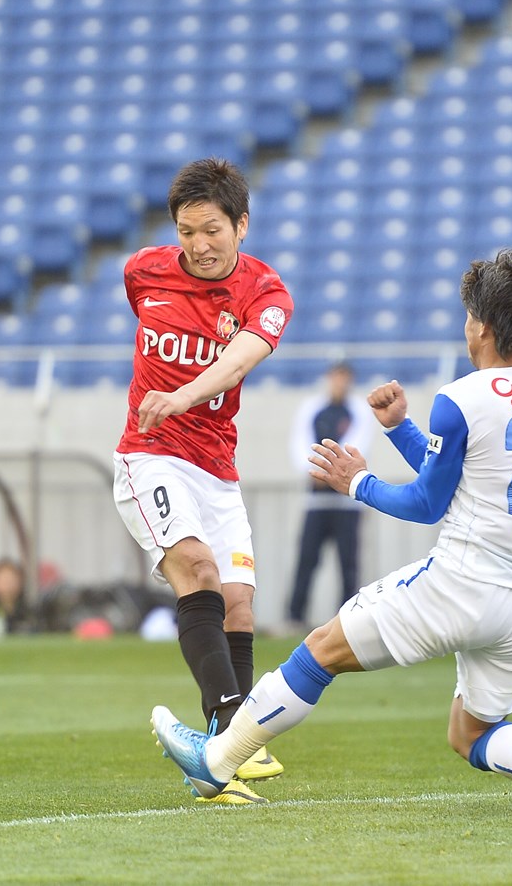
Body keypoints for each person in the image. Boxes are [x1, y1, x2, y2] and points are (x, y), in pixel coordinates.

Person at [152, 249, 512, 817]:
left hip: (461, 583)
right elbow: (462, 473)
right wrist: (402, 428)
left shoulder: (463, 395)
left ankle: (217, 760)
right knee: (471, 733)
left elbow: (430, 502)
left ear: (483, 324)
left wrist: (358, 483)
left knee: (319, 652)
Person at [114, 158, 293, 804]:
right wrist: (167, 404)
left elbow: (240, 357)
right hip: (149, 456)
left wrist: (183, 394)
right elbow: (143, 292)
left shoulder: (266, 294)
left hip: (217, 470)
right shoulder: (144, 271)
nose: (199, 244)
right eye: (187, 231)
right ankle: (232, 735)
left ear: (242, 225)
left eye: (213, 229)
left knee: (240, 605)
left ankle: (224, 754)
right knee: (197, 571)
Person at [285, 361, 373, 629]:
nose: (340, 382)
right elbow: (300, 443)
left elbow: (359, 443)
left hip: (347, 501)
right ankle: (295, 616)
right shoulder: (313, 408)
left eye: (345, 377)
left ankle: (349, 618)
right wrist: (317, 471)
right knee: (307, 558)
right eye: (336, 376)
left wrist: (336, 473)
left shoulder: (358, 410)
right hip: (316, 498)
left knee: (348, 562)